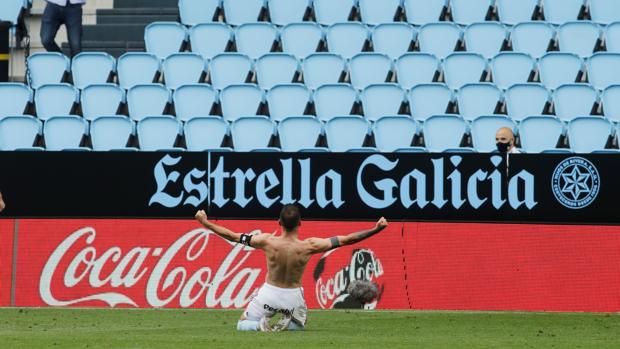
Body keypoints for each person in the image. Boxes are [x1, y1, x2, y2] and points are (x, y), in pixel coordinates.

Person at [194, 205, 389, 332]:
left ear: (278, 222)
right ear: (300, 223)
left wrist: (205, 222)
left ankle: (259, 326)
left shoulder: (266, 241)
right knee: (298, 327)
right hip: (293, 297)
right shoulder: (309, 245)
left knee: (242, 324)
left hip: (268, 295)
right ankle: (290, 323)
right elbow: (348, 239)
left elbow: (233, 236)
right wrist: (376, 229)